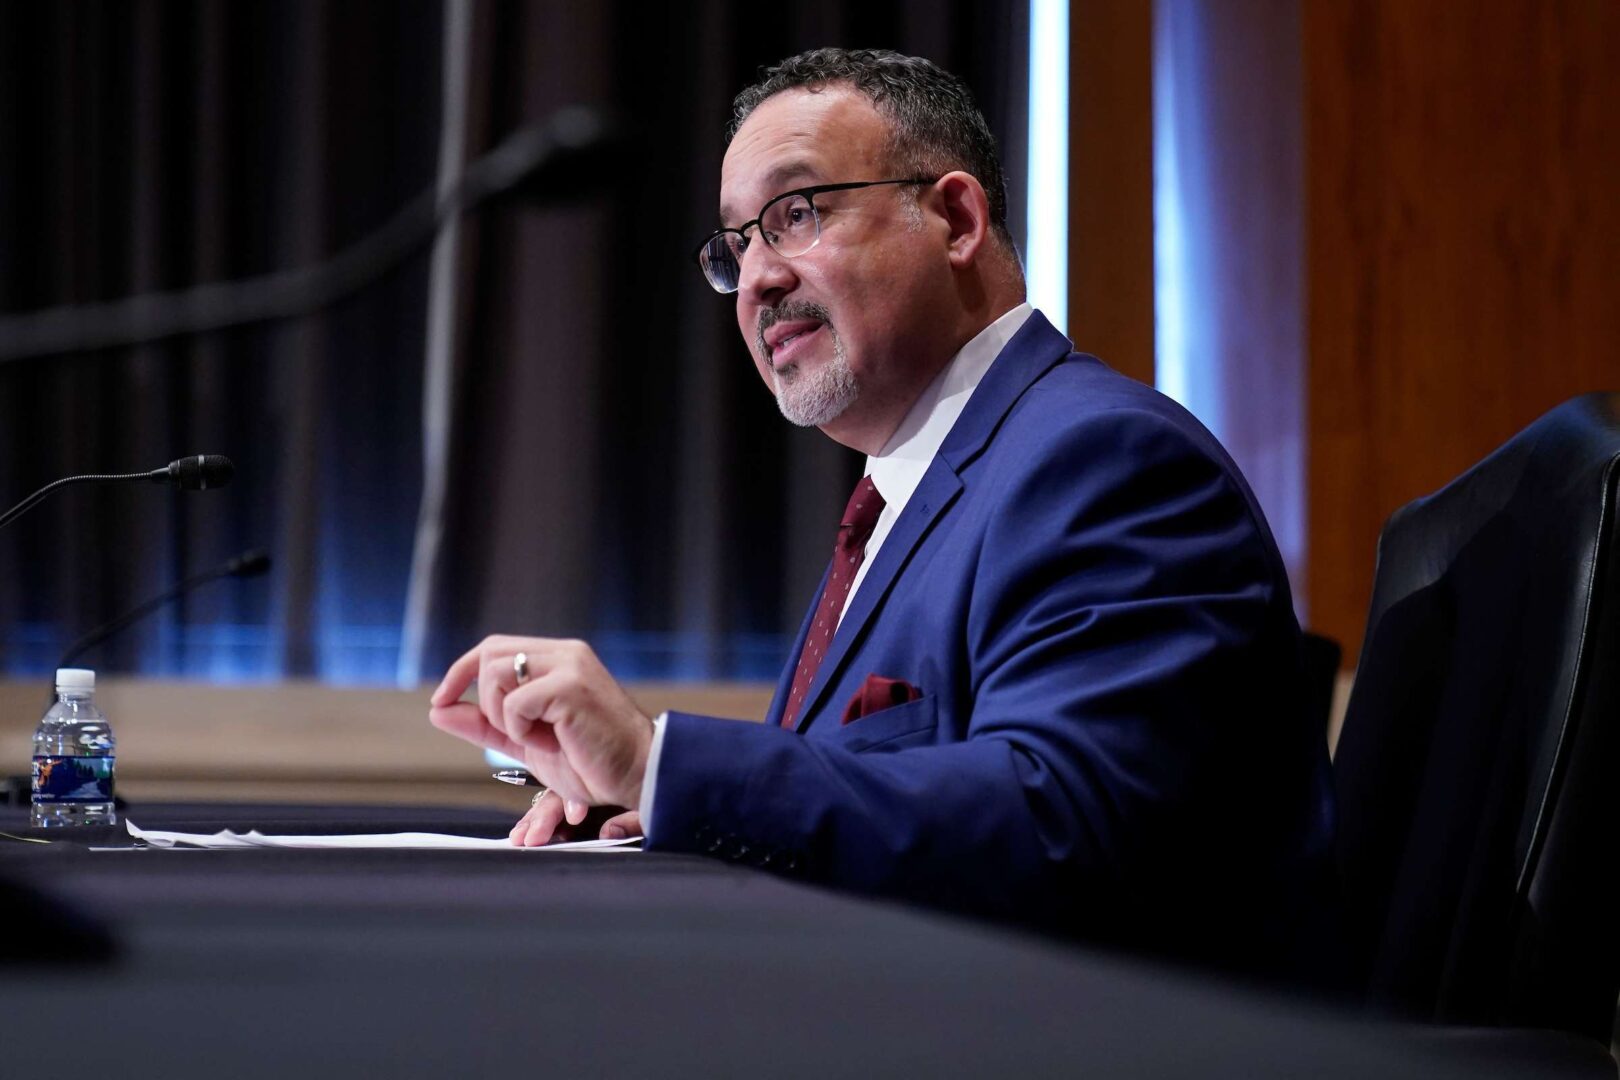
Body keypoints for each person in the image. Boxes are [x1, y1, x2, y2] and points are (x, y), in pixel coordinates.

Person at [430, 48, 1336, 980]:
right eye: (737, 246)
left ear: (955, 218)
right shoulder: (902, 499)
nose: (756, 282)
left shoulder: (1101, 460)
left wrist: (667, 766)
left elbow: (1065, 822)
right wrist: (659, 811)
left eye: (797, 214)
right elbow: (872, 814)